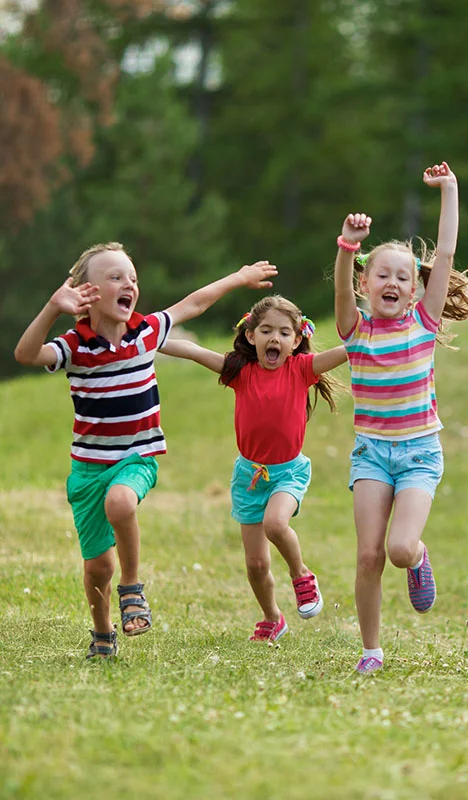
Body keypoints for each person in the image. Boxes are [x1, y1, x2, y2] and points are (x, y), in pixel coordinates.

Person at [14, 242, 277, 660]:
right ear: (87, 292)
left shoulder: (147, 331)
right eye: (115, 277)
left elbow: (195, 303)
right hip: (87, 469)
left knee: (121, 503)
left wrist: (239, 278)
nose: (128, 285)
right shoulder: (75, 345)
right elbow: (25, 354)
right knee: (97, 566)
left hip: (137, 457)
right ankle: (102, 633)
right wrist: (51, 307)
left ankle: (132, 588)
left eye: (132, 278)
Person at [334, 161, 468, 674]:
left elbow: (444, 253)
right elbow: (343, 285)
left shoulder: (424, 321)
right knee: (368, 556)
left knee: (398, 550)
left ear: (416, 289)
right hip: (371, 453)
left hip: (419, 451)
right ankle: (371, 650)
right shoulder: (355, 330)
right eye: (383, 275)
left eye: (403, 276)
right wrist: (347, 248)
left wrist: (450, 190)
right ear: (366, 284)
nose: (393, 281)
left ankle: (419, 557)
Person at [160, 296, 347, 643]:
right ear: (250, 336)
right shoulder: (240, 372)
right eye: (266, 331)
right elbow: (192, 351)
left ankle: (301, 574)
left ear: (296, 341)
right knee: (256, 565)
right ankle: (272, 617)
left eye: (283, 332)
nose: (274, 338)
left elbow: (348, 349)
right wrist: (146, 339)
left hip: (289, 472)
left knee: (276, 524)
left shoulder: (302, 368)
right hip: (249, 477)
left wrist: (378, 329)